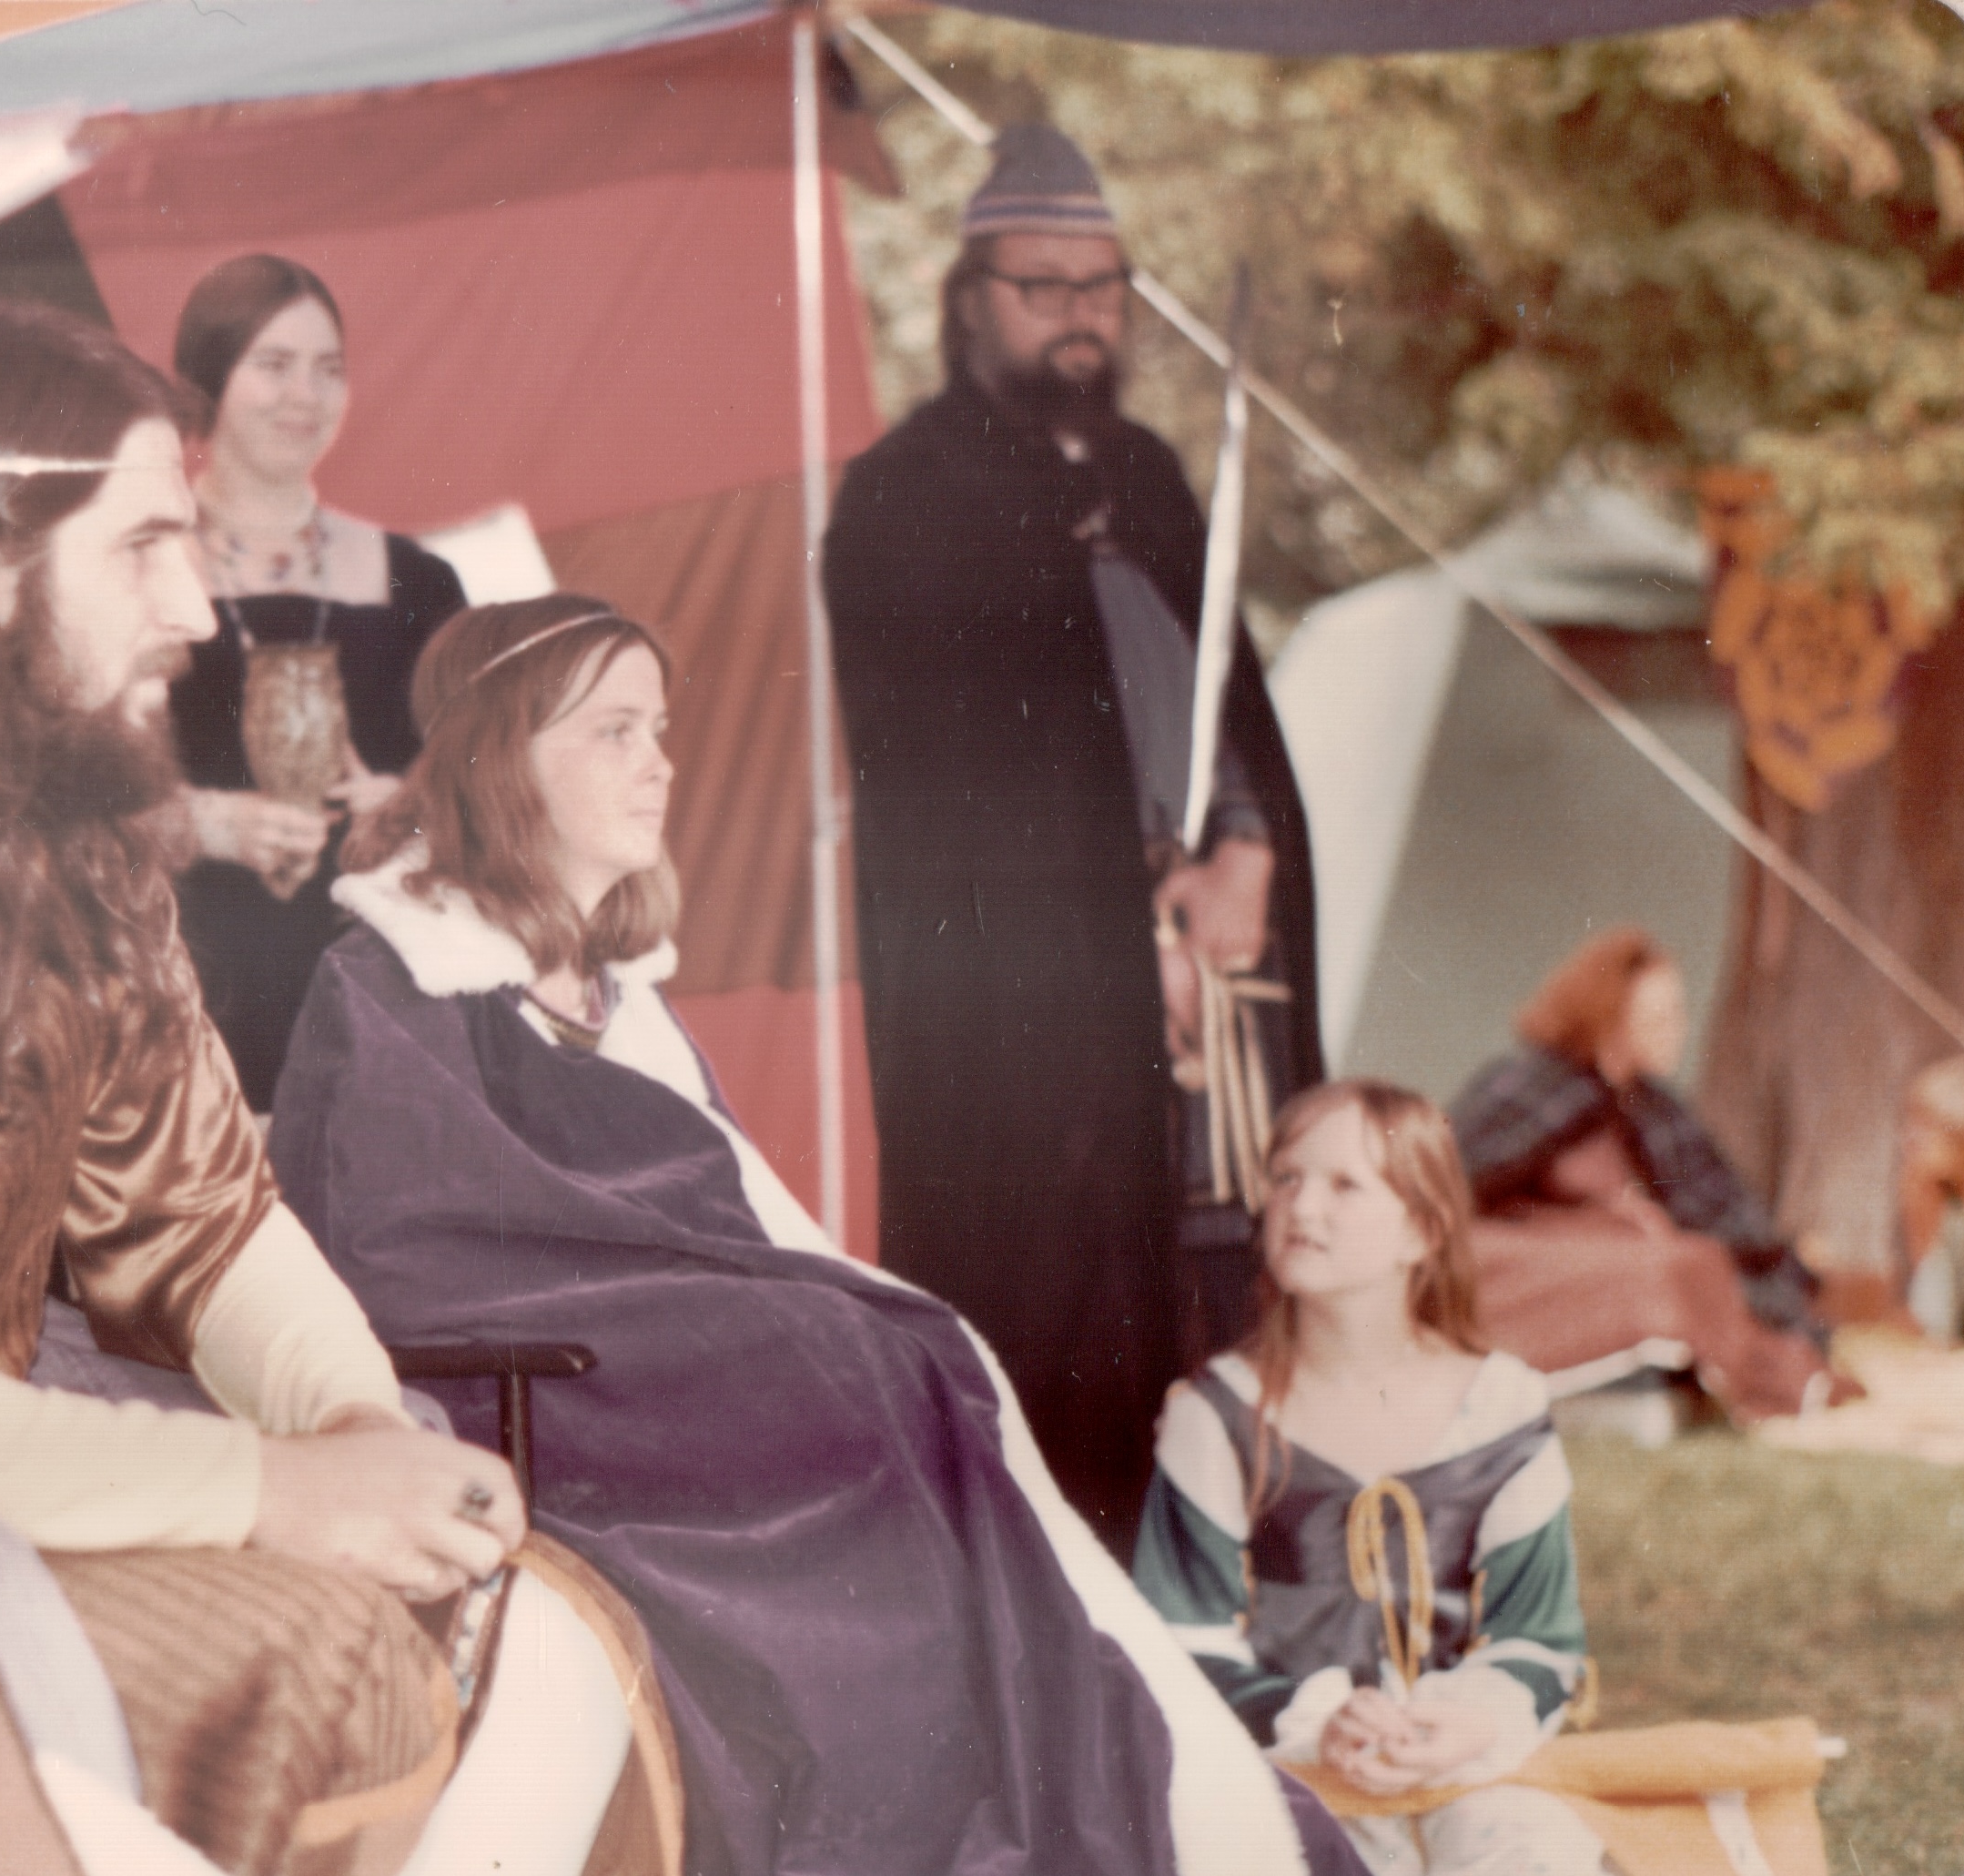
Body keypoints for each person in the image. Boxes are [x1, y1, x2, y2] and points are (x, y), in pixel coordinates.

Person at [0, 305, 659, 1876]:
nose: (196, 611)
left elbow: (206, 1218)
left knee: (541, 1632)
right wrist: (267, 1489)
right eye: (144, 545)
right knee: (322, 1658)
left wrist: (355, 1424)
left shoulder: (77, 855)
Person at [270, 596, 1369, 1876]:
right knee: (851, 1361)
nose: (658, 763)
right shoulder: (398, 975)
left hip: (653, 1367)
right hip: (528, 1392)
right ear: (503, 754)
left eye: (659, 729)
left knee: (909, 1356)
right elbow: (404, 1243)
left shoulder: (619, 995)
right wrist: (753, 1321)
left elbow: (723, 1212)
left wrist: (817, 1313)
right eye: (614, 730)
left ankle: (1022, 1808)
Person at [821, 121, 1321, 1555]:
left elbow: (1226, 708)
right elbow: (960, 804)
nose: (1078, 316)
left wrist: (1247, 847)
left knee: (1225, 1303)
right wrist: (1114, 942)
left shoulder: (1149, 478)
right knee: (1058, 1339)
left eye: (1100, 287)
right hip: (1027, 1041)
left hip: (1210, 984)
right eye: (1042, 287)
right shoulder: (905, 501)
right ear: (968, 301)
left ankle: (1231, 1595)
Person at [1132, 1080, 1605, 1876]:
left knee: (1528, 1853)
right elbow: (1180, 1645)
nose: (1302, 1206)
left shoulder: (1500, 1409)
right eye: (1286, 1177)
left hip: (1463, 1761)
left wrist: (1471, 1722)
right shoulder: (1220, 1416)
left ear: (1421, 1229)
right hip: (1287, 1762)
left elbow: (1539, 1635)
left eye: (1344, 1184)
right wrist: (1320, 1722)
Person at [167, 253, 469, 1108]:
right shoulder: (145, 567)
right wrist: (211, 824)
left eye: (329, 369)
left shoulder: (418, 581)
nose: (306, 394)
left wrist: (409, 808)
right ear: (207, 377)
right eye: (274, 364)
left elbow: (488, 776)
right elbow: (71, 792)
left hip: (384, 999)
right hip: (192, 1004)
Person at [1448, 928, 1839, 1419]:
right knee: (1675, 1268)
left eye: (1677, 1014)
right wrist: (1596, 1218)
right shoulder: (1532, 1083)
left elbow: (1717, 1205)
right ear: (1610, 1015)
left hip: (1623, 1248)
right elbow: (1457, 1183)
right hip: (1523, 1251)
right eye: (1659, 1017)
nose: (1677, 1029)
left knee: (1700, 1263)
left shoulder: (1655, 1107)